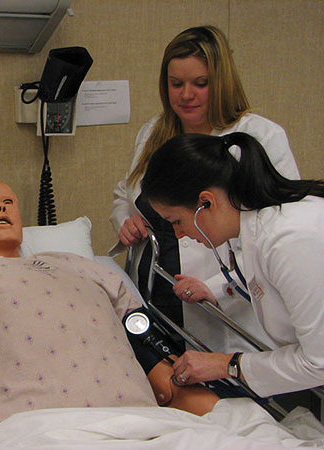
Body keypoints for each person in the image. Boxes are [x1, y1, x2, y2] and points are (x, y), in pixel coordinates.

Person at [0, 178, 219, 442]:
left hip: (138, 420)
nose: (1, 207)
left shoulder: (72, 262)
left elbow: (138, 331)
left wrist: (172, 386)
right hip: (34, 433)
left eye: (9, 202)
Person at [109, 25, 299, 353]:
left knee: (224, 392)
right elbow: (125, 193)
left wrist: (219, 288)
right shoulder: (153, 132)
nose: (186, 95)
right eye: (176, 84)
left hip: (227, 306)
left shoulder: (258, 137)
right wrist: (125, 219)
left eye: (200, 83)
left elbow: (282, 230)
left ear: (221, 82)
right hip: (154, 298)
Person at [140, 131, 324, 397]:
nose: (179, 234)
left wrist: (228, 365)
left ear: (206, 202)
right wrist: (217, 290)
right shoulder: (259, 229)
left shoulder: (289, 241)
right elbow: (269, 280)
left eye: (176, 221)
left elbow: (319, 362)